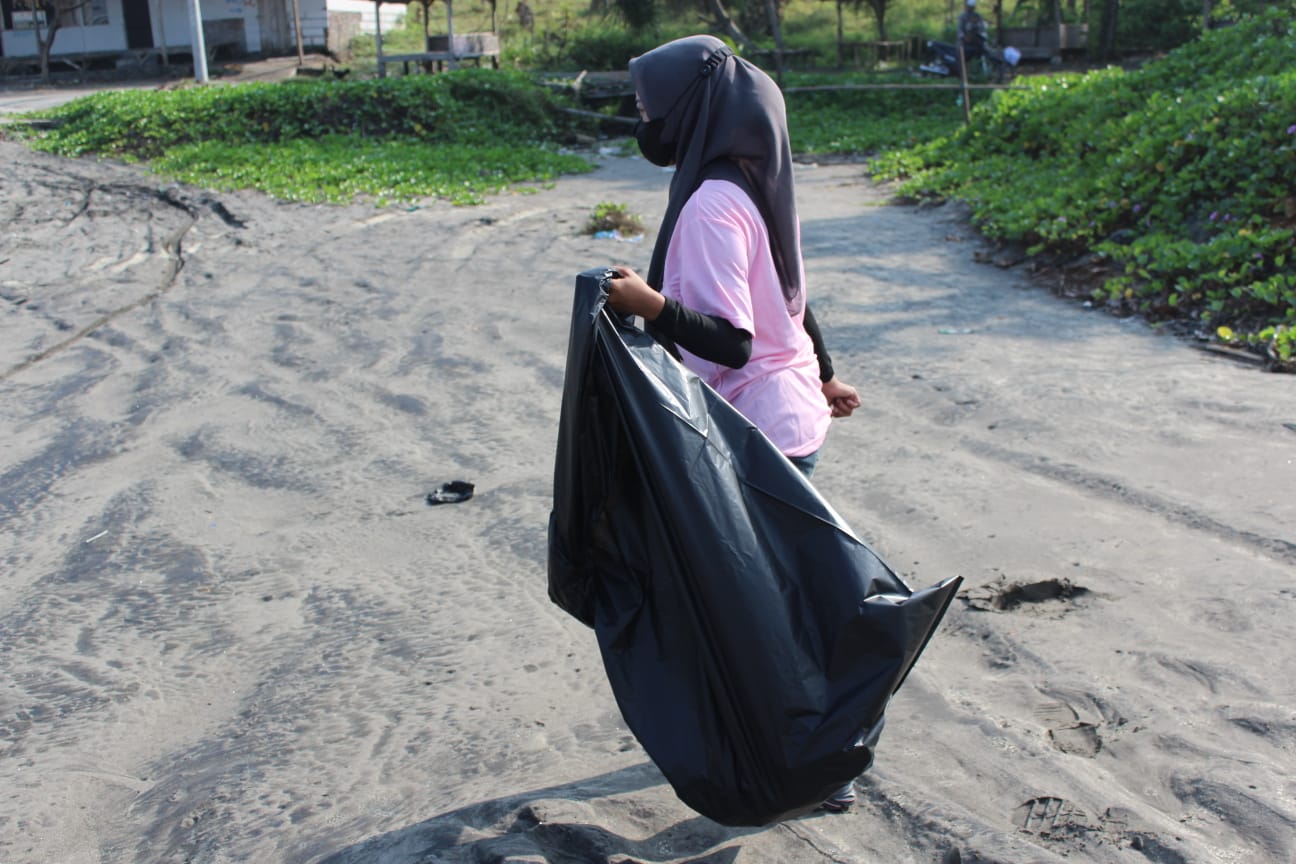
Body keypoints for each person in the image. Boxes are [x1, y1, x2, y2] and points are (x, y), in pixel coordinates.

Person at [602, 34, 864, 813]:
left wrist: (647, 305)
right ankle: (794, 749)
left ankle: (827, 768)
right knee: (775, 600)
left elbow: (731, 336)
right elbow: (791, 295)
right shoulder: (751, 184)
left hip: (761, 432)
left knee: (770, 614)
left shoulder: (715, 203)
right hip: (787, 415)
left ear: (690, 110)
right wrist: (822, 372)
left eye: (650, 106)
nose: (642, 119)